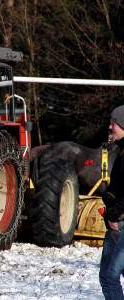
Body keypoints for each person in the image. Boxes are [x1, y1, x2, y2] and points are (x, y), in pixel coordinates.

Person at [100, 105, 124, 299]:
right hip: (115, 223)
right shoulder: (120, 152)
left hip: (120, 222)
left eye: (113, 123)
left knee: (110, 276)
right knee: (106, 275)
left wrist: (115, 213)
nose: (110, 127)